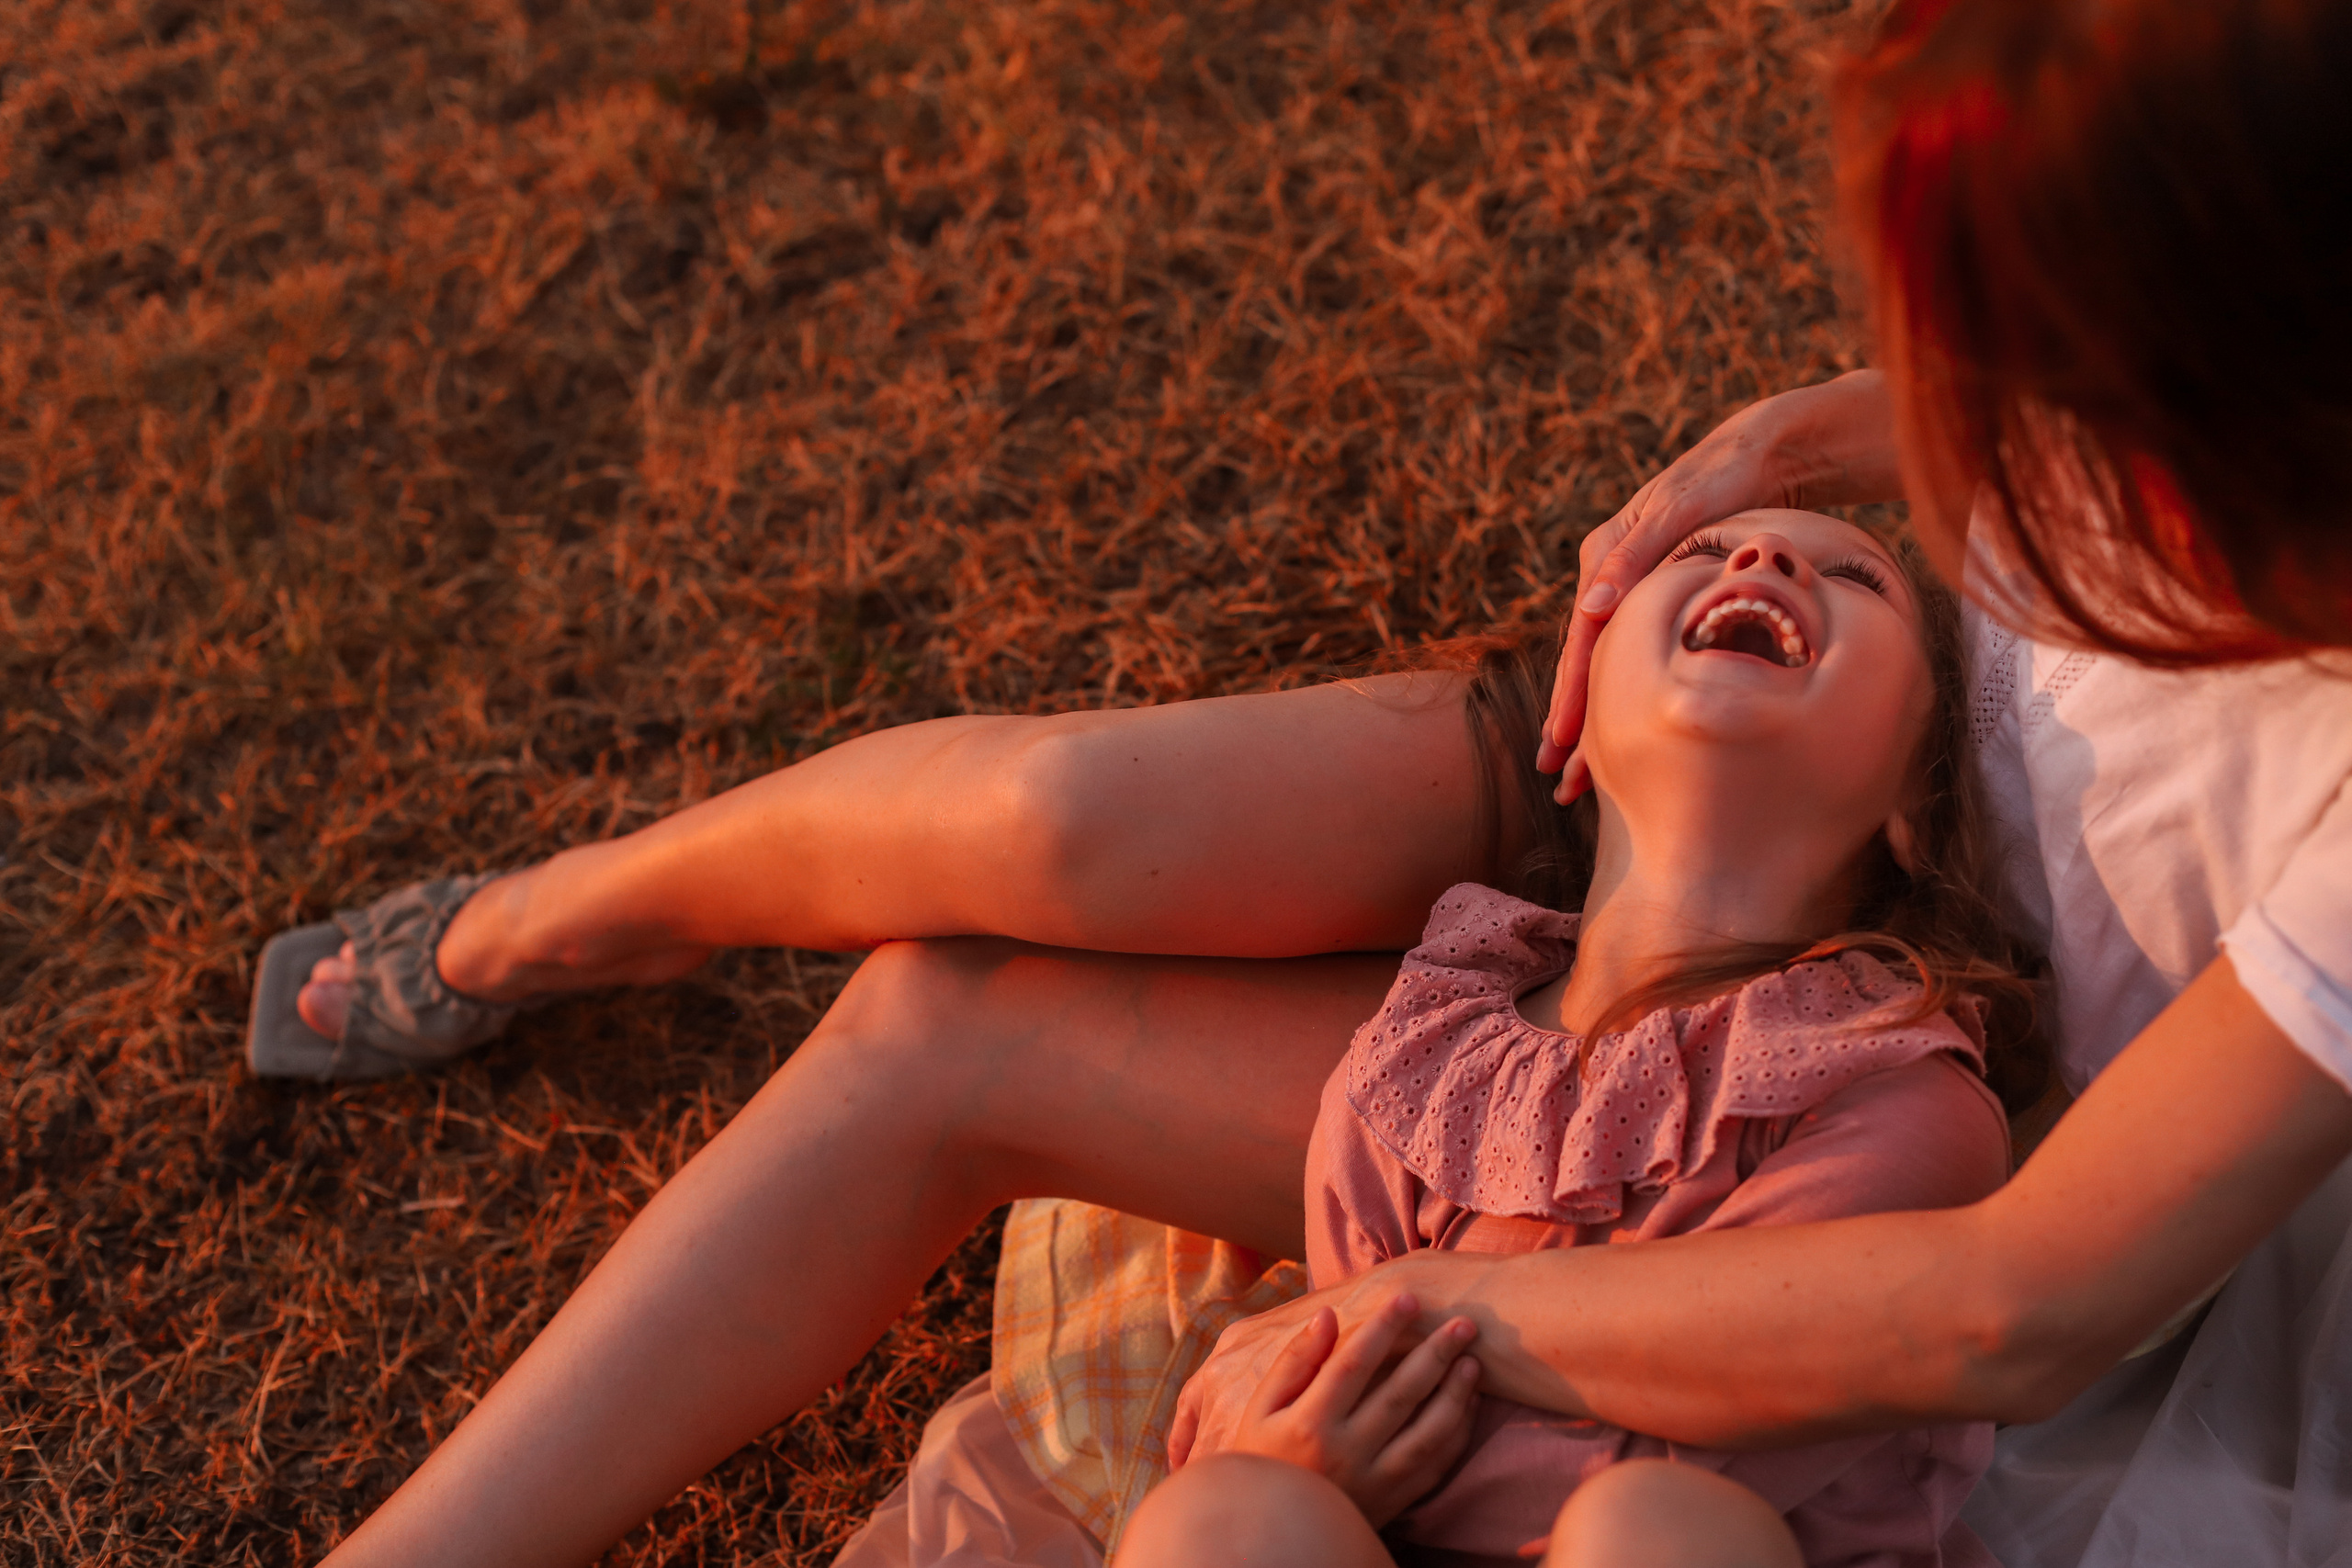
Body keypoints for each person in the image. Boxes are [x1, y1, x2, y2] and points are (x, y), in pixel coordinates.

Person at [277, 1, 2352, 1562]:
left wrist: (1410, 1311)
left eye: (2042, 365)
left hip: (1878, 968)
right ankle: (556, 916)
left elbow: (2009, 1300)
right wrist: (1783, 455)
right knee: (1042, 835)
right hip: (1677, 826)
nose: (1986, 421)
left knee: (961, 1017)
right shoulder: (2148, 373)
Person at [861, 510, 2046, 1568]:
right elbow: (1339, 1362)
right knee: (1228, 1514)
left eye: (1855, 577)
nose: (1767, 555)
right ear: (1577, 735)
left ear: (1915, 801)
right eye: (1703, 549)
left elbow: (1720, 1430)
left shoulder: (1892, 1091)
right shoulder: (1428, 1052)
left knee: (1657, 1525)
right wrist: (1296, 1455)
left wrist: (1356, 1434)